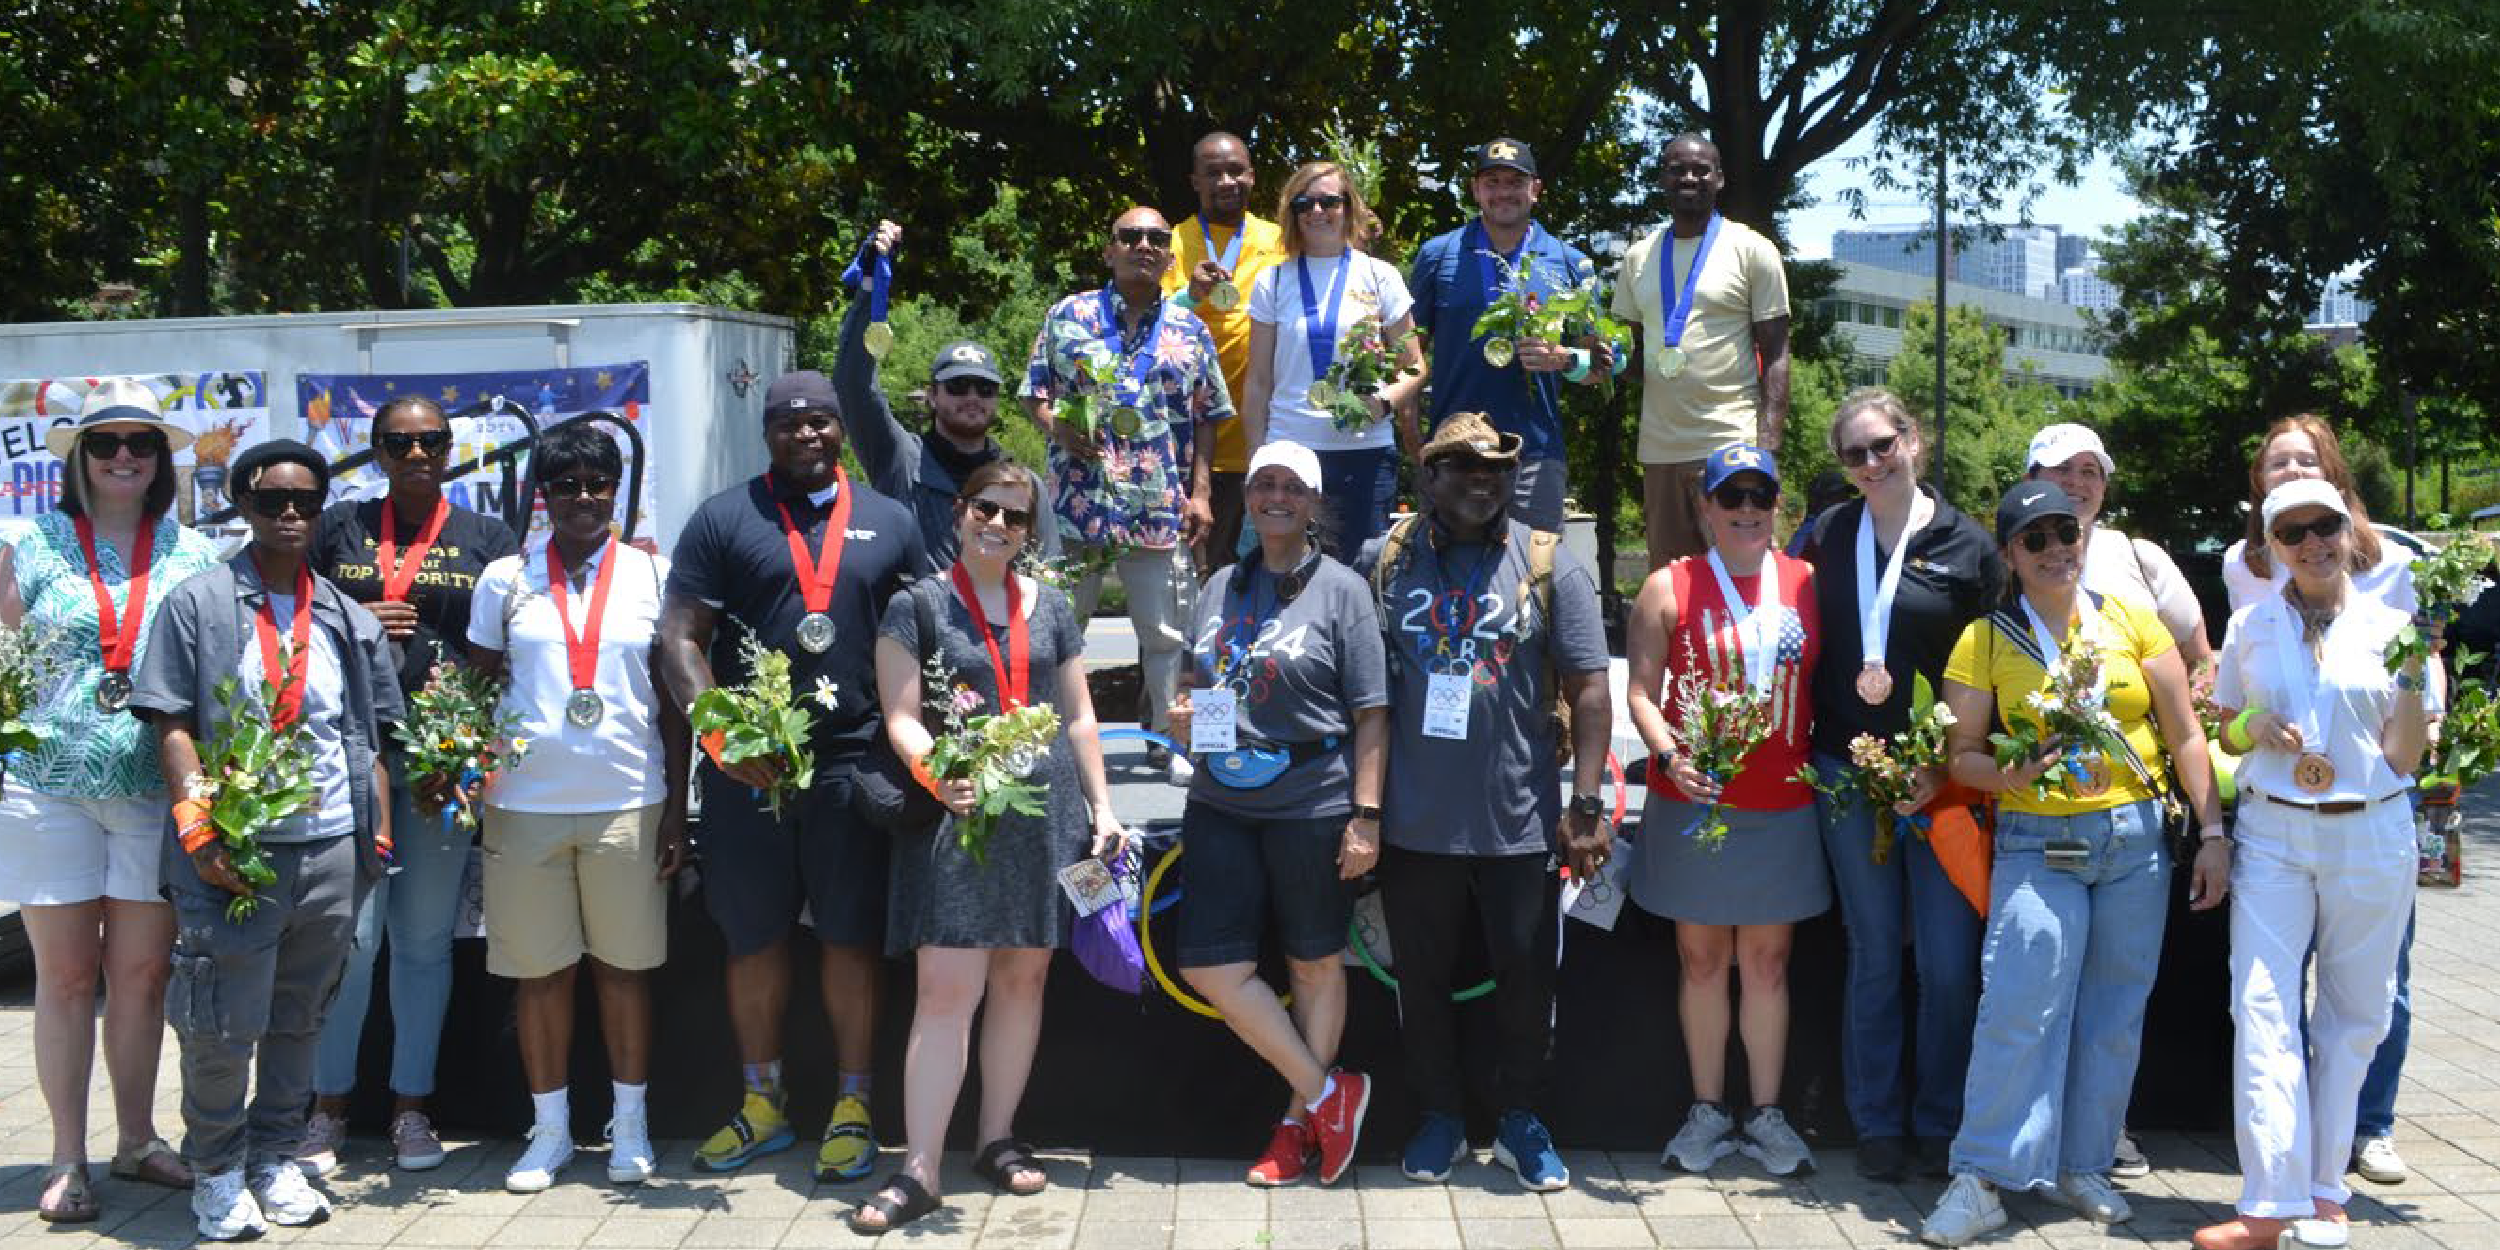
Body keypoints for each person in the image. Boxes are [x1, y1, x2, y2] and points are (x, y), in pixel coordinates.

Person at [1919, 480, 2228, 1247]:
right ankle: (1982, 1176)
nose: (2058, 549)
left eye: (2068, 533)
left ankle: (2083, 1164)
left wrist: (2213, 830)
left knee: (2115, 1014)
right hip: (2038, 842)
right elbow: (1961, 758)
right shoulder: (1986, 640)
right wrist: (2010, 775)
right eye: (2037, 539)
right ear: (2010, 555)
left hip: (2133, 843)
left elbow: (2185, 732)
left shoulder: (2130, 619)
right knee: (2020, 1006)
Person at [846, 462, 1131, 1233]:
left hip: (1048, 820)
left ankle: (996, 1137)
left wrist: (1103, 807)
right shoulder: (919, 604)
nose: (997, 524)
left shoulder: (1058, 607)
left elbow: (1077, 717)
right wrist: (938, 774)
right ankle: (920, 1170)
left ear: (1030, 532)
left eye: (1014, 516)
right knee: (945, 994)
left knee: (1022, 982)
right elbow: (902, 716)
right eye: (985, 508)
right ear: (960, 511)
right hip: (960, 818)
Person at [657, 370, 927, 1182]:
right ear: (767, 433)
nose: (805, 435)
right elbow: (678, 637)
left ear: (841, 429)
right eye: (789, 424)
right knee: (754, 938)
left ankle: (852, 1107)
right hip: (754, 766)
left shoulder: (890, 518)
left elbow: (924, 636)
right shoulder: (723, 519)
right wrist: (722, 733)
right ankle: (764, 1105)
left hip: (852, 764)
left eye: (820, 423)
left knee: (848, 938)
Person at [132, 439, 402, 1241]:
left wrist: (374, 841)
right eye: (273, 499)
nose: (290, 514)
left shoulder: (344, 616)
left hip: (329, 849)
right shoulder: (200, 602)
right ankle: (214, 1169)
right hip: (233, 852)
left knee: (299, 1016)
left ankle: (274, 1157)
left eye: (307, 501)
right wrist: (197, 825)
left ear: (323, 512)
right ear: (243, 505)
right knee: (219, 1020)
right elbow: (174, 722)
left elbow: (372, 737)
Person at [1359, 413, 1612, 1192]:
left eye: (1498, 468)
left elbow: (1591, 688)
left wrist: (1589, 801)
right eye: (1464, 466)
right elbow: (1360, 694)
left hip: (1520, 820)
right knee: (1422, 986)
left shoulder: (1548, 563)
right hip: (1413, 818)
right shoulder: (1385, 560)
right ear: (1428, 477)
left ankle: (1520, 1121)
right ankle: (1437, 1116)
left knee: (1526, 983)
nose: (1483, 479)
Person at [0, 380, 221, 1223]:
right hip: (46, 788)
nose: (123, 456)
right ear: (80, 459)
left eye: (141, 443)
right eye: (105, 443)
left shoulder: (194, 554)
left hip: (147, 790)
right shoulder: (31, 543)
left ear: (162, 460)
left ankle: (135, 1139)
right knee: (63, 976)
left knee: (140, 975)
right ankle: (66, 1156)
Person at [2192, 479, 2425, 1250]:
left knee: (2356, 1016)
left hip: (2371, 830)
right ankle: (2269, 1203)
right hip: (2276, 835)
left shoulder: (2397, 625)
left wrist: (2420, 676)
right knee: (2259, 1008)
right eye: (2292, 533)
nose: (2313, 542)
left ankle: (2325, 1193)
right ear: (2272, 548)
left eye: (2325, 524)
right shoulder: (2251, 625)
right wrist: (2254, 723)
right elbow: (2225, 728)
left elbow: (2403, 756)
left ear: (2349, 527)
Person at [464, 422, 689, 1192]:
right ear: (543, 496)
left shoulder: (654, 579)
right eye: (567, 486)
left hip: (629, 801)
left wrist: (677, 810)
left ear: (616, 492)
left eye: (598, 484)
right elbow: (477, 688)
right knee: (541, 976)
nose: (584, 498)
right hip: (523, 806)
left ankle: (629, 1126)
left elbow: (674, 707)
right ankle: (551, 1131)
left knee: (624, 974)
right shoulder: (506, 579)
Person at [303, 395, 521, 1175]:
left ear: (451, 446)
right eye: (399, 442)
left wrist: (465, 740)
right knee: (351, 943)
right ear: (378, 451)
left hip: (435, 765)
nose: (417, 453)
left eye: (431, 440)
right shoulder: (340, 528)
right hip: (351, 759)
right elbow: (297, 617)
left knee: (423, 944)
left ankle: (411, 1108)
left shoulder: (488, 537)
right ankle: (327, 1108)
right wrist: (358, 610)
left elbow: (502, 646)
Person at [1164, 440, 1388, 1188]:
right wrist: (1184, 718)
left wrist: (1366, 813)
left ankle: (1295, 1126)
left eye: (1293, 486)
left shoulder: (1344, 590)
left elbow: (1371, 713)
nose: (1276, 497)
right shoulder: (1223, 583)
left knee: (1313, 962)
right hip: (1220, 799)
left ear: (1315, 502)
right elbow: (1198, 682)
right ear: (1249, 497)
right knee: (1210, 965)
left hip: (1313, 799)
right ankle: (1332, 1093)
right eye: (1264, 484)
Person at [1799, 390, 2003, 1180]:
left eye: (1883, 445)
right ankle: (1879, 1123)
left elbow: (1991, 665)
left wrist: (1944, 761)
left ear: (1914, 439)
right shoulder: (1828, 535)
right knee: (1876, 950)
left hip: (1943, 781)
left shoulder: (1968, 545)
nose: (1872, 464)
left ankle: (1942, 1119)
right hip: (1849, 773)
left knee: (1949, 964)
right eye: (1854, 455)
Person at [1625, 444, 1827, 1178]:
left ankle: (1767, 1116)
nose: (1748, 510)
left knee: (1768, 964)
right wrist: (1669, 753)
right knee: (1703, 960)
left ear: (1779, 508)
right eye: (1731, 497)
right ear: (1704, 507)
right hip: (1694, 801)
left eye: (1761, 498)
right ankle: (1709, 1111)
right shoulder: (1669, 584)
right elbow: (1641, 692)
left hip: (1781, 802)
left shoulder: (1806, 582)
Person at [1020, 206, 1235, 779]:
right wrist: (1059, 427)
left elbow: (1210, 414)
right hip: (1077, 504)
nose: (1144, 244)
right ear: (1109, 249)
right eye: (1130, 235)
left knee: (1163, 633)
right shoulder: (1068, 315)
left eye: (1157, 238)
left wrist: (1203, 492)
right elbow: (1032, 392)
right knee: (1057, 624)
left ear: (1170, 256)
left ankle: (1168, 741)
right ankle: (1043, 737)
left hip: (1158, 502)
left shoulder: (1191, 329)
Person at [1405, 138, 1609, 532]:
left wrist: (1565, 359)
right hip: (1452, 452)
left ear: (1535, 189)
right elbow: (1410, 353)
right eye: (1492, 181)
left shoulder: (1569, 262)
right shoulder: (1438, 255)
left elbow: (1605, 365)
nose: (1503, 192)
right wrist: (1414, 436)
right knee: (1444, 580)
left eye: (1514, 182)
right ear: (1475, 189)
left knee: (1533, 580)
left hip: (1535, 455)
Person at [1610, 133, 1791, 571]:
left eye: (1701, 169)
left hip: (1731, 442)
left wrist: (1766, 442)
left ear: (1721, 179)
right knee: (1672, 583)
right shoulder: (1638, 258)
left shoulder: (1752, 249)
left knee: (1746, 576)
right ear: (1662, 179)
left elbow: (1778, 350)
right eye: (1677, 169)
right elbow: (1628, 356)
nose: (1689, 177)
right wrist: (1591, 359)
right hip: (1662, 450)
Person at [1240, 161, 1426, 558]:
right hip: (1291, 449)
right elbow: (1257, 380)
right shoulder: (1272, 281)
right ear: (1292, 214)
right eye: (1304, 204)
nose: (1317, 212)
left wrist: (1384, 402)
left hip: (1364, 451)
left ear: (1349, 207)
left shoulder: (1380, 276)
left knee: (1362, 568)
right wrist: (1257, 459)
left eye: (1329, 201)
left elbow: (1414, 366)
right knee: (1288, 565)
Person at [834, 218, 1005, 566]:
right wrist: (870, 286)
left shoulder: (1018, 482)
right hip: (915, 617)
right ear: (932, 396)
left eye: (985, 388)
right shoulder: (898, 458)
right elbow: (853, 383)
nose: (972, 396)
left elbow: (1049, 574)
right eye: (957, 386)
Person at [1165, 130, 1288, 568]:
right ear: (1195, 181)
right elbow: (1151, 322)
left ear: (1252, 176)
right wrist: (1190, 294)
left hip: (1264, 434)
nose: (1226, 181)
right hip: (1194, 443)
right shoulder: (1172, 241)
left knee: (1268, 569)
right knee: (1194, 572)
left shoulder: (1280, 240)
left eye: (1235, 171)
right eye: (1213, 173)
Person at [2025, 423, 2214, 669]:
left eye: (2089, 471)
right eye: (2062, 468)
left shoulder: (2142, 558)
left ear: (2103, 487)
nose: (2075, 481)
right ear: (2029, 481)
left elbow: (2199, 660)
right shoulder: (2005, 564)